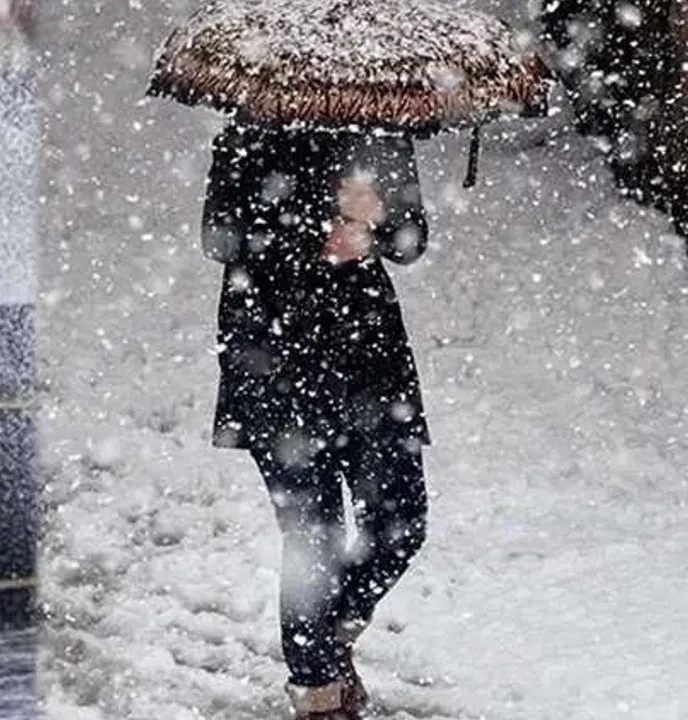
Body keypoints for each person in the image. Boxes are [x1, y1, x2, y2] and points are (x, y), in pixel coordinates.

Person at [202, 122, 430, 720]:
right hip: (275, 359)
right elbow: (221, 237)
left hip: (369, 362)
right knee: (314, 538)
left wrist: (375, 229)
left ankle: (330, 637)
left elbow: (412, 239)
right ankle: (318, 694)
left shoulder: (379, 125)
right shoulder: (249, 131)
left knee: (402, 520)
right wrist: (319, 223)